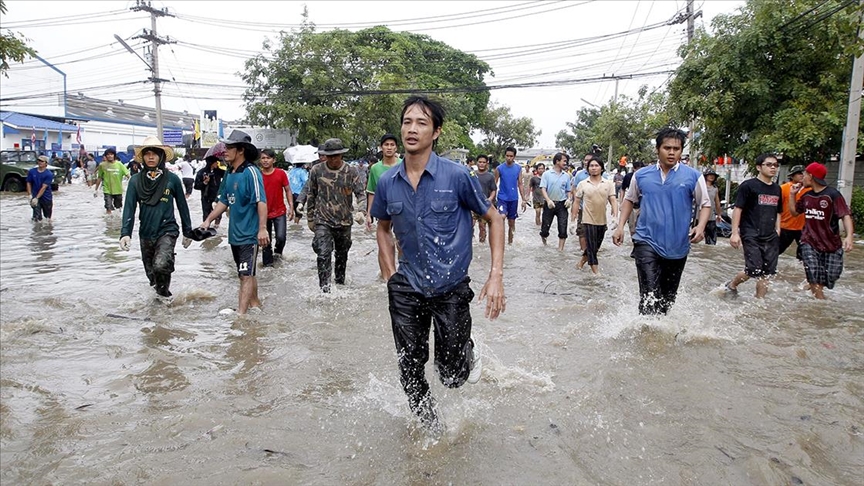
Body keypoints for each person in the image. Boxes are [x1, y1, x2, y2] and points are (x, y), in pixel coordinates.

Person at [370, 95, 505, 431]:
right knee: (410, 367)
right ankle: (432, 430)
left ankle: (466, 352)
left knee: (453, 376)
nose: (412, 129)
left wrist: (496, 276)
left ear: (436, 132)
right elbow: (383, 229)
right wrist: (390, 276)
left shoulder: (457, 176)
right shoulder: (387, 181)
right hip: (407, 286)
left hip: (450, 287)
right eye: (407, 122)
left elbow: (494, 219)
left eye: (421, 123)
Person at [612, 127, 710, 315]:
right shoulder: (641, 176)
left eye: (676, 149)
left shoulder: (693, 176)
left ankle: (660, 337)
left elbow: (705, 204)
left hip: (678, 245)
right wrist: (620, 227)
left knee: (666, 300)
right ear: (658, 149)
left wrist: (700, 226)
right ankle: (646, 336)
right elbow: (629, 200)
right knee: (649, 294)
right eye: (667, 148)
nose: (672, 152)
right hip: (645, 240)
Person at [200, 130, 269, 314]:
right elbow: (224, 201)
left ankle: (240, 315)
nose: (225, 151)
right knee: (244, 273)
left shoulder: (251, 172)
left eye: (229, 148)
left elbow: (261, 201)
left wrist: (262, 229)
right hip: (234, 234)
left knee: (245, 274)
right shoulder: (230, 173)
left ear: (241, 150)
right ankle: (255, 305)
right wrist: (208, 220)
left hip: (249, 233)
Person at [119, 137, 194, 298]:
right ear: (143, 157)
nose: (151, 157)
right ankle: (162, 301)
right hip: (146, 232)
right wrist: (125, 233)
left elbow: (182, 206)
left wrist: (188, 232)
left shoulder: (172, 179)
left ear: (161, 156)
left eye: (154, 154)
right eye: (147, 154)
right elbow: (129, 208)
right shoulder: (135, 181)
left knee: (161, 264)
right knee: (152, 275)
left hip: (167, 230)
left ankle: (165, 298)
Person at [305, 138, 366, 292]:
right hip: (323, 220)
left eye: (336, 155)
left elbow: (361, 194)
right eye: (329, 156)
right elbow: (311, 194)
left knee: (341, 255)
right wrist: (310, 218)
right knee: (323, 253)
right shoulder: (316, 171)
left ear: (341, 155)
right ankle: (324, 290)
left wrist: (361, 210)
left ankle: (340, 283)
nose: (332, 159)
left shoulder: (351, 171)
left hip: (344, 221)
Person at [788, 162, 854, 299]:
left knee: (831, 276)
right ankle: (819, 300)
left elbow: (845, 215)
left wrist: (849, 236)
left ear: (811, 176)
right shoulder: (806, 196)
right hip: (808, 241)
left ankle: (815, 288)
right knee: (813, 271)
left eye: (804, 174)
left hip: (831, 244)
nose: (802, 177)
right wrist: (792, 195)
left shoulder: (832, 195)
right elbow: (794, 212)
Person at [724, 154, 782, 298]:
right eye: (769, 164)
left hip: (770, 235)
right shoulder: (748, 186)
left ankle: (759, 302)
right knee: (754, 269)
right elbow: (738, 209)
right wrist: (734, 233)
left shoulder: (777, 189)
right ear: (758, 167)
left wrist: (778, 229)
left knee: (767, 272)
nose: (773, 167)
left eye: (775, 165)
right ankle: (732, 284)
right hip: (751, 233)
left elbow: (779, 211)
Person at [572, 157, 618, 273]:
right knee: (592, 248)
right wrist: (572, 221)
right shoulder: (583, 184)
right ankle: (596, 274)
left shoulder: (608, 183)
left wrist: (615, 217)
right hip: (587, 220)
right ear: (588, 169)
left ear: (601, 168)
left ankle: (581, 262)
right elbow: (576, 202)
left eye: (596, 165)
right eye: (591, 166)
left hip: (602, 220)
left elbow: (613, 200)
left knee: (596, 247)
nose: (593, 168)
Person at [259, 148, 294, 267]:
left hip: (279, 211)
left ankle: (278, 254)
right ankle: (267, 266)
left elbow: (288, 190)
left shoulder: (281, 173)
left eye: (268, 158)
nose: (265, 160)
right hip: (263, 213)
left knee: (281, 237)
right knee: (265, 241)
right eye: (263, 158)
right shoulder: (258, 175)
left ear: (273, 160)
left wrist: (291, 207)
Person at [365, 133, 402, 231]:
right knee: (384, 236)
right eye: (386, 145)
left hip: (403, 210)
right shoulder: (375, 168)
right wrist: (369, 214)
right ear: (381, 147)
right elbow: (372, 192)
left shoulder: (404, 165)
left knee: (402, 242)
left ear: (396, 148)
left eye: (392, 145)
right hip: (383, 210)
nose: (389, 148)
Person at [539, 152, 573, 250]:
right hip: (549, 204)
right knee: (545, 228)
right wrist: (548, 200)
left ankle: (560, 250)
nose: (566, 163)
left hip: (562, 205)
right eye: (564, 161)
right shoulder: (547, 174)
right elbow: (543, 189)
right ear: (557, 161)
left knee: (563, 227)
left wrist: (569, 199)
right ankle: (544, 245)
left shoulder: (566, 176)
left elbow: (568, 190)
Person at [778, 164, 810, 260]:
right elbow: (777, 208)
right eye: (799, 173)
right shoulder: (783, 188)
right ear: (792, 176)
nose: (802, 175)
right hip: (785, 226)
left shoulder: (810, 190)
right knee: (775, 251)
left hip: (803, 228)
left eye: (803, 173)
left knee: (804, 255)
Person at [494, 146, 523, 245]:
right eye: (507, 156)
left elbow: (520, 184)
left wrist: (524, 199)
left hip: (513, 199)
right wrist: (492, 198)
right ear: (505, 156)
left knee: (511, 223)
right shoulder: (499, 168)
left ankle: (510, 243)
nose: (509, 158)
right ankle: (500, 242)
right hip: (502, 198)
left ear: (514, 157)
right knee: (501, 217)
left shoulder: (518, 168)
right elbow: (495, 183)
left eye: (511, 156)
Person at [93, 147, 130, 215]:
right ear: (106, 156)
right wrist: (96, 190)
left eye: (111, 154)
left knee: (118, 208)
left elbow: (128, 176)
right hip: (107, 190)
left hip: (118, 190)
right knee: (108, 207)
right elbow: (99, 178)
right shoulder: (102, 165)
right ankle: (109, 223)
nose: (110, 156)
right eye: (108, 154)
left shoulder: (120, 165)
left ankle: (117, 222)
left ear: (114, 155)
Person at [193, 155, 225, 227]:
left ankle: (217, 230)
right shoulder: (201, 172)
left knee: (218, 214)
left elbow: (227, 175)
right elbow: (196, 186)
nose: (217, 164)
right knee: (206, 214)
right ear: (211, 163)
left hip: (216, 196)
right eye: (216, 162)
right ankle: (206, 229)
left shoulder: (219, 171)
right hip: (206, 197)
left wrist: (229, 164)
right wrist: (205, 182)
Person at [473, 154, 498, 243]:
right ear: (477, 163)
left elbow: (493, 190)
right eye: (480, 162)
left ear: (487, 163)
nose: (481, 164)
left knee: (482, 227)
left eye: (484, 162)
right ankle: (470, 243)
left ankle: (481, 244)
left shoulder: (490, 176)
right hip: (473, 204)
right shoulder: (472, 174)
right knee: (469, 225)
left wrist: (490, 199)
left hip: (484, 205)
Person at [619, 160, 643, 238]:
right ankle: (634, 240)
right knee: (632, 225)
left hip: (643, 205)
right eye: (637, 169)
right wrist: (621, 202)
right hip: (631, 204)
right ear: (634, 169)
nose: (639, 171)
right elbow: (623, 189)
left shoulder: (646, 177)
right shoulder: (628, 177)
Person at [26, 155, 54, 222]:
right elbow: (28, 183)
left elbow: (44, 187)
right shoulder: (32, 172)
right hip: (35, 195)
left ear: (46, 163)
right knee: (37, 218)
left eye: (42, 161)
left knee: (47, 218)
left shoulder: (49, 174)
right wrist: (30, 195)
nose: (40, 162)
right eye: (39, 161)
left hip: (46, 197)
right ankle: (37, 230)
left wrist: (37, 198)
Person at [703, 168, 723, 245]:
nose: (711, 177)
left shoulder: (715, 189)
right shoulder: (700, 186)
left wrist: (719, 214)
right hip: (699, 216)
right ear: (706, 176)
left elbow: (717, 203)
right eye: (710, 175)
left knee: (711, 240)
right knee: (696, 237)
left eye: (713, 175)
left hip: (711, 216)